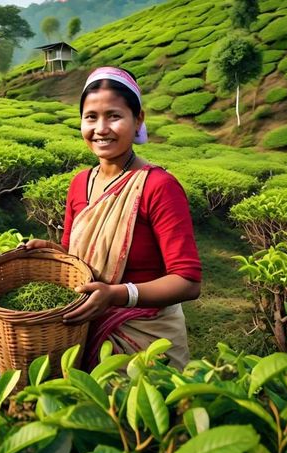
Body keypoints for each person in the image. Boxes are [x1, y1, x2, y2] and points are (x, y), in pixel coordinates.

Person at [20, 66, 202, 371]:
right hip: (83, 330)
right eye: (91, 117)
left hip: (146, 342)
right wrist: (53, 252)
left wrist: (118, 295)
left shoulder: (158, 186)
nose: (101, 128)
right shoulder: (80, 183)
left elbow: (187, 281)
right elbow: (80, 259)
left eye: (114, 116)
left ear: (138, 119)